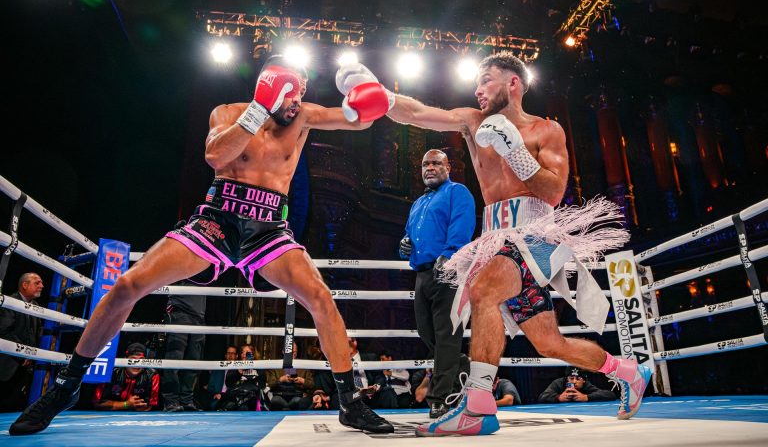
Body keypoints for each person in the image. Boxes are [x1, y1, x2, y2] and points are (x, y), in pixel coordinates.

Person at [10, 55, 395, 435]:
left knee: (320, 296)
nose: (298, 100)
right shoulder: (227, 112)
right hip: (217, 219)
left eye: (302, 92)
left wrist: (364, 88)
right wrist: (260, 107)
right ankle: (67, 384)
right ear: (272, 84)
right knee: (128, 285)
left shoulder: (304, 117)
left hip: (268, 228)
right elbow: (215, 156)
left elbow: (359, 119)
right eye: (293, 90)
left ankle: (349, 402)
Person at [335, 52, 651, 437]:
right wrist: (380, 94)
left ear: (512, 84)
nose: (477, 89)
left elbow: (553, 191)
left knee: (482, 290)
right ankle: (630, 372)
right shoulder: (472, 122)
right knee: (549, 343)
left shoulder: (545, 130)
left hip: (535, 235)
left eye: (486, 80)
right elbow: (417, 113)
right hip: (496, 239)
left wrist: (514, 150)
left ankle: (479, 406)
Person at [399, 149, 475, 419]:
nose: (429, 168)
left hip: (448, 270)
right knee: (426, 333)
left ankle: (440, 398)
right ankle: (463, 367)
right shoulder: (418, 203)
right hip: (422, 274)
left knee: (446, 335)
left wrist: (451, 253)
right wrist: (405, 245)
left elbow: (462, 225)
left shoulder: (457, 192)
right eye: (425, 164)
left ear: (447, 167)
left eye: (435, 163)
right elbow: (410, 235)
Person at [0, 273, 44, 411]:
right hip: (7, 364)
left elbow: (36, 333)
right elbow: (3, 331)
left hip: (25, 366)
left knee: (14, 406)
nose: (41, 286)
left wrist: (32, 355)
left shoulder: (35, 305)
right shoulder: (9, 302)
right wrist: (22, 353)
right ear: (24, 285)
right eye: (37, 283)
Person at [161, 281, 206, 412]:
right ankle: (171, 401)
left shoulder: (208, 265)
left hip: (199, 316)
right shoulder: (181, 262)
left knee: (194, 361)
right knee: (174, 359)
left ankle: (187, 400)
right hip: (179, 312)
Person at [92, 343, 159, 411]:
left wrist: (116, 405)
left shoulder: (151, 375)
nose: (136, 364)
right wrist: (126, 404)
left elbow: (148, 406)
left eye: (141, 360)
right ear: (125, 359)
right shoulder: (111, 372)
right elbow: (98, 403)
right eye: (132, 359)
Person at [264, 342, 314, 411]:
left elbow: (312, 384)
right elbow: (270, 384)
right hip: (280, 395)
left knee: (298, 401)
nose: (292, 354)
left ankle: (288, 408)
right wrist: (280, 380)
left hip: (297, 395)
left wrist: (302, 381)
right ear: (283, 352)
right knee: (275, 400)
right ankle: (288, 408)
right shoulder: (276, 366)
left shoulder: (303, 365)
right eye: (290, 352)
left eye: (295, 352)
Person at [218, 344, 265, 411]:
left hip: (252, 398)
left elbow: (262, 384)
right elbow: (228, 383)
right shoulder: (236, 365)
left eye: (247, 352)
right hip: (237, 397)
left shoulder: (259, 367)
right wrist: (239, 371)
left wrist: (251, 384)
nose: (243, 354)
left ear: (253, 354)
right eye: (242, 352)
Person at [538, 366, 617, 404]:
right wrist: (558, 397)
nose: (574, 381)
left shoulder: (586, 385)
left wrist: (586, 397)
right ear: (566, 379)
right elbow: (542, 397)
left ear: (583, 380)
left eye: (578, 379)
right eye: (571, 378)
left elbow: (610, 395)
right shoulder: (559, 383)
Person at [204, 345, 238, 410]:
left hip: (232, 398)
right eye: (228, 353)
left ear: (236, 356)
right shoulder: (218, 369)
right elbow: (210, 387)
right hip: (218, 398)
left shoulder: (238, 370)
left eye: (233, 353)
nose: (230, 355)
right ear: (225, 355)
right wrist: (215, 394)